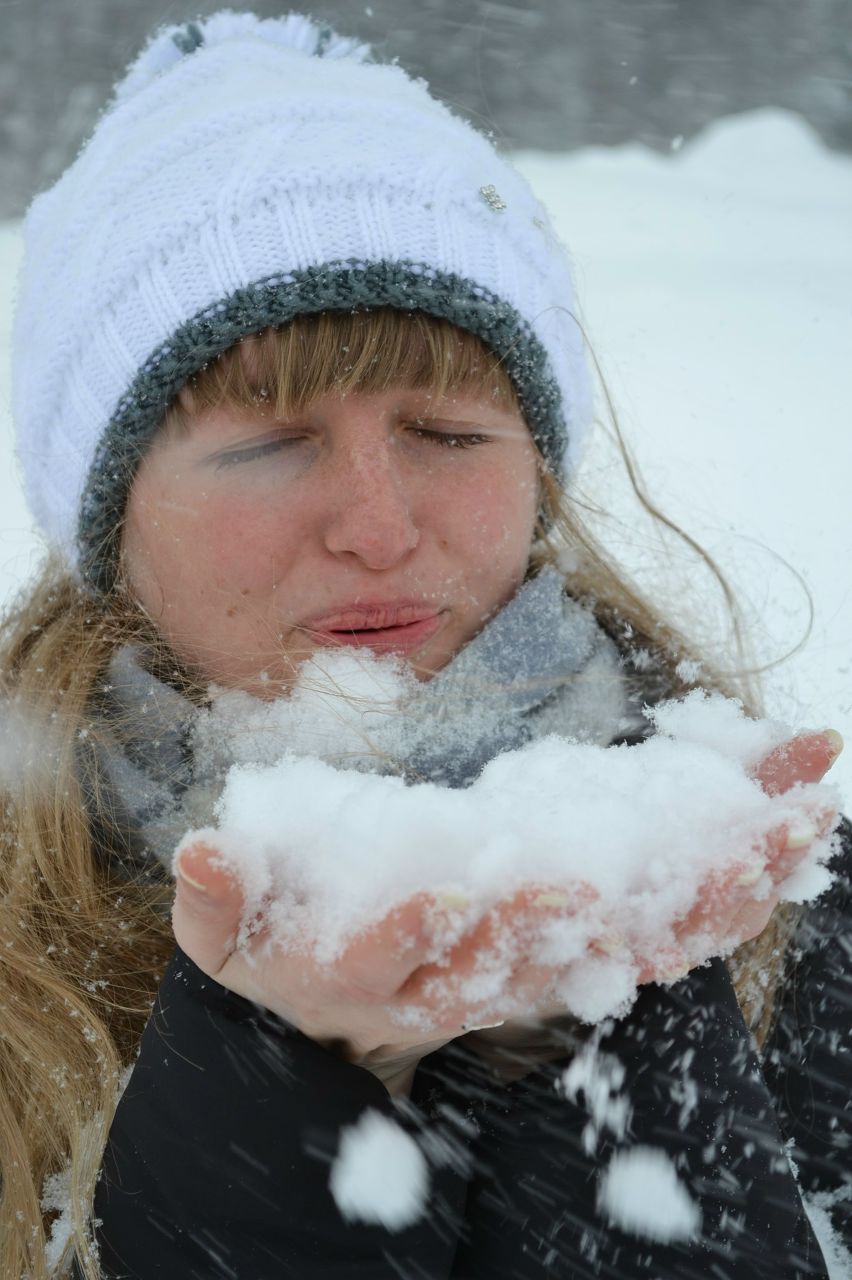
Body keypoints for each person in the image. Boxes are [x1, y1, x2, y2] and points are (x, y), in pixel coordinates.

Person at [1, 11, 849, 1279]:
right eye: (268, 445)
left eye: (448, 433)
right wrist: (271, 1066)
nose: (381, 528)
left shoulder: (772, 890)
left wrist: (597, 1020)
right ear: (112, 522)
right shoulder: (22, 954)